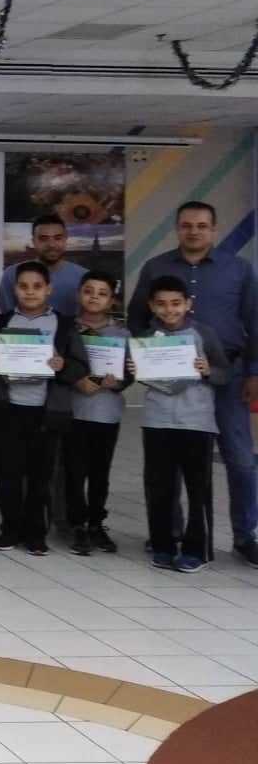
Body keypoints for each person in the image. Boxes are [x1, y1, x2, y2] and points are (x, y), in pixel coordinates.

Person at [127, 201, 258, 568]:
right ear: (177, 228)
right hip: (170, 381)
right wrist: (148, 357)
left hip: (226, 374)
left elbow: (254, 322)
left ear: (213, 229)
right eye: (187, 225)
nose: (194, 231)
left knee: (240, 459)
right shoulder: (156, 267)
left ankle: (246, 536)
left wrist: (254, 372)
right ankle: (169, 535)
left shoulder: (239, 269)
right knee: (167, 464)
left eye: (202, 225)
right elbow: (137, 319)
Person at [0, 261, 88, 557]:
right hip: (8, 409)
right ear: (14, 289)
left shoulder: (63, 325)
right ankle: (9, 529)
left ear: (49, 289)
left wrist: (62, 364)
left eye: (37, 286)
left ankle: (35, 533)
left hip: (45, 412)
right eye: (23, 286)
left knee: (40, 476)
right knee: (7, 473)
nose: (30, 292)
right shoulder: (3, 322)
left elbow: (80, 366)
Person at [131, 275, 225, 573]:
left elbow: (224, 373)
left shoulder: (204, 333)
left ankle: (198, 550)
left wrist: (209, 370)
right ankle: (163, 545)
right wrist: (135, 369)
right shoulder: (145, 337)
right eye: (161, 304)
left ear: (188, 304)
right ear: (151, 306)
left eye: (176, 303)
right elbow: (143, 376)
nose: (169, 310)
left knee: (198, 489)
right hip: (157, 421)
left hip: (196, 422)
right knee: (159, 487)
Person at [67, 270, 129, 557]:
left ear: (112, 300)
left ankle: (96, 524)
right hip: (73, 411)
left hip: (106, 413)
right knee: (74, 472)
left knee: (100, 473)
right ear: (79, 294)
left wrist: (119, 382)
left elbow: (130, 372)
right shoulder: (67, 329)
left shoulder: (122, 334)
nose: (94, 297)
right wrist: (77, 380)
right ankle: (77, 525)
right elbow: (59, 363)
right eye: (88, 291)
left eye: (102, 293)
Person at [0, 214, 86, 317]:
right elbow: (7, 318)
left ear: (65, 240)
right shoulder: (11, 274)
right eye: (43, 239)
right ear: (33, 242)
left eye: (57, 238)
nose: (51, 245)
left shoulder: (84, 277)